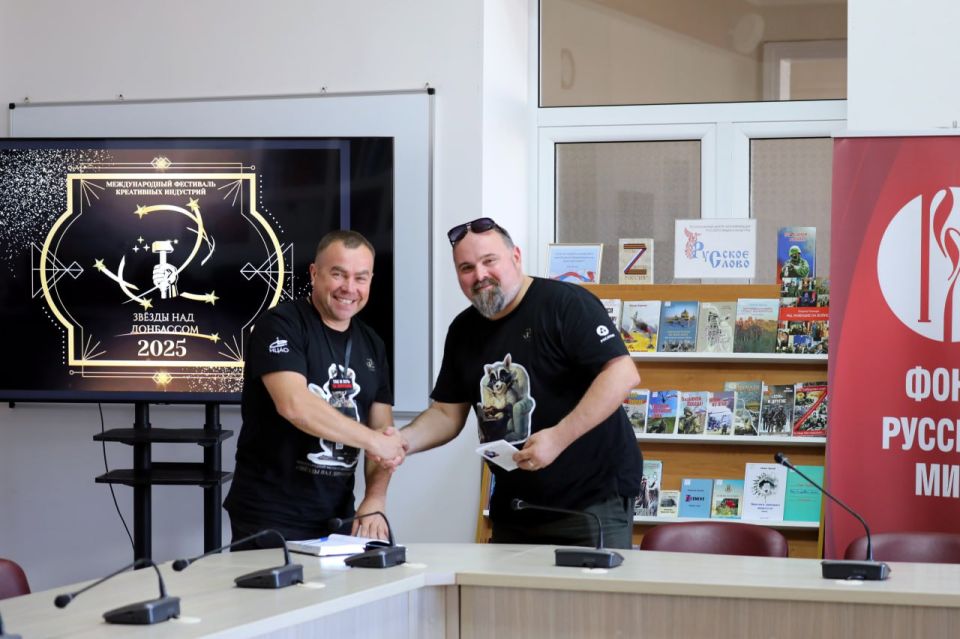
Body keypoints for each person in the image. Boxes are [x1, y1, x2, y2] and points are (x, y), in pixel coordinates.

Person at [397, 218, 642, 548]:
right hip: (515, 507)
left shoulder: (565, 303)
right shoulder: (463, 330)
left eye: (489, 261)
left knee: (593, 586)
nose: (479, 275)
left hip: (590, 504)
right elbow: (446, 414)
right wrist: (402, 443)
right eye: (466, 268)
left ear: (516, 257)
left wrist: (558, 437)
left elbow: (622, 374)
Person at [224, 230, 404, 549]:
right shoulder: (280, 324)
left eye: (360, 278)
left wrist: (375, 499)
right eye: (338, 274)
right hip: (268, 516)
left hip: (339, 518)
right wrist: (374, 441)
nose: (349, 288)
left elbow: (383, 430)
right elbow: (294, 405)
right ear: (314, 273)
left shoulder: (372, 344)